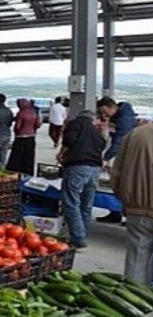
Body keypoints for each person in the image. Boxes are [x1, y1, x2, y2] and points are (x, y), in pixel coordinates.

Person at [56, 110, 107, 250]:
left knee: (71, 203)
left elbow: (69, 140)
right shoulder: (96, 131)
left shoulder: (76, 124)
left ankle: (78, 238)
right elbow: (103, 144)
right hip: (95, 170)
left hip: (77, 167)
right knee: (86, 205)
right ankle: (82, 235)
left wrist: (61, 154)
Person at [111, 122, 153, 284]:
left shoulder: (136, 134)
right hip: (138, 206)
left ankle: (135, 302)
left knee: (136, 260)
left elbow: (116, 173)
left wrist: (126, 199)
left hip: (137, 209)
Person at [96, 96, 138, 224]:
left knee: (125, 186)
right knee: (114, 186)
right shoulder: (116, 117)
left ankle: (128, 215)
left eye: (105, 111)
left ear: (113, 107)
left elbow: (120, 141)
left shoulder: (125, 120)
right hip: (119, 153)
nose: (103, 115)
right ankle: (115, 213)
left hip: (128, 155)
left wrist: (107, 157)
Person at [6, 98, 42, 176]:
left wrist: (16, 131)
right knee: (29, 157)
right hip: (31, 137)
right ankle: (28, 173)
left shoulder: (21, 113)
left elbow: (18, 127)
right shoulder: (34, 113)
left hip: (21, 137)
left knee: (17, 157)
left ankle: (16, 173)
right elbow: (38, 124)